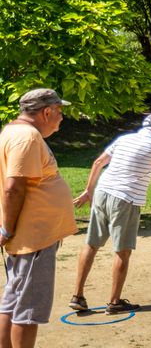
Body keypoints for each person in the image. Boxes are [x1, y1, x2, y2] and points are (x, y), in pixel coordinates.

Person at [69, 113, 151, 315]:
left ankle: (77, 296)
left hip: (103, 192)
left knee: (91, 244)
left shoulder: (124, 139)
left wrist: (88, 191)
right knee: (123, 250)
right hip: (126, 198)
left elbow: (98, 163)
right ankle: (114, 302)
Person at [0, 88, 78, 348]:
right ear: (47, 111)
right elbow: (14, 187)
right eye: (59, 111)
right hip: (33, 237)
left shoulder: (14, 131)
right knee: (28, 308)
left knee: (13, 302)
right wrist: (6, 230)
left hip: (29, 235)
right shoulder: (27, 137)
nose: (61, 118)